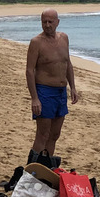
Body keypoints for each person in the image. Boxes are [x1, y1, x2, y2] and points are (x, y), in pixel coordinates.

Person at [26, 9, 78, 163]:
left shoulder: (64, 38)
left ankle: (45, 167)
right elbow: (29, 71)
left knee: (55, 134)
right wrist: (34, 98)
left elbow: (67, 63)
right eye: (44, 22)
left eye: (50, 22)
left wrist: (73, 87)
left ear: (57, 22)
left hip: (61, 92)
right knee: (43, 134)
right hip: (44, 91)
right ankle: (31, 170)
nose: (47, 25)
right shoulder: (36, 42)